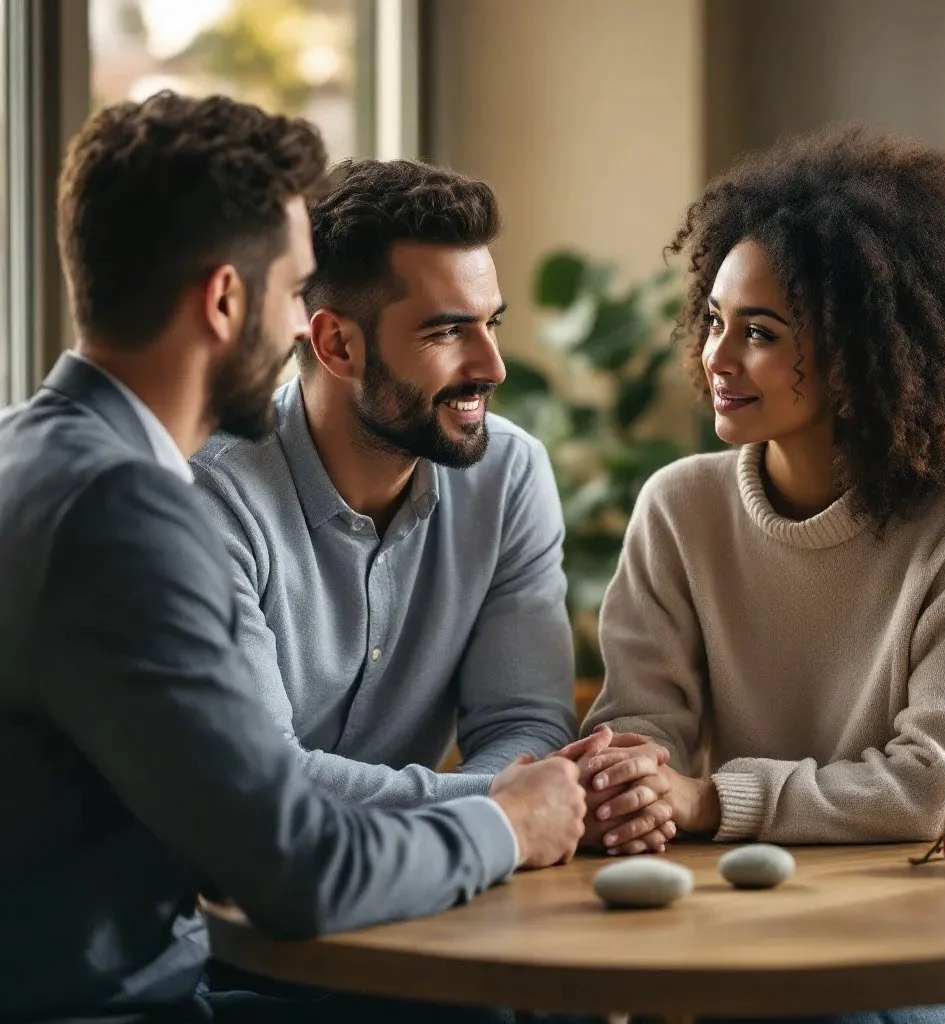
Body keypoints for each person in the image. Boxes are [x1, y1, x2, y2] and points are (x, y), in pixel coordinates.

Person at [0, 91, 591, 1024]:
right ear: (226, 301)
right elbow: (300, 864)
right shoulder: (129, 513)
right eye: (290, 294)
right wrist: (507, 820)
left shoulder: (33, 455)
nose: (295, 335)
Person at [579, 127, 945, 1024]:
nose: (716, 358)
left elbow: (932, 783)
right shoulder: (678, 507)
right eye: (713, 321)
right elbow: (640, 722)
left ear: (860, 353)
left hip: (941, 935)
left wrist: (712, 799)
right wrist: (631, 778)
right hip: (750, 918)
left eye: (760, 333)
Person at [190, 158, 577, 809]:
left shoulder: (508, 476)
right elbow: (262, 782)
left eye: (492, 324)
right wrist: (503, 808)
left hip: (424, 886)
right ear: (338, 346)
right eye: (448, 331)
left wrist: (499, 809)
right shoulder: (212, 497)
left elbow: (525, 726)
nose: (494, 367)